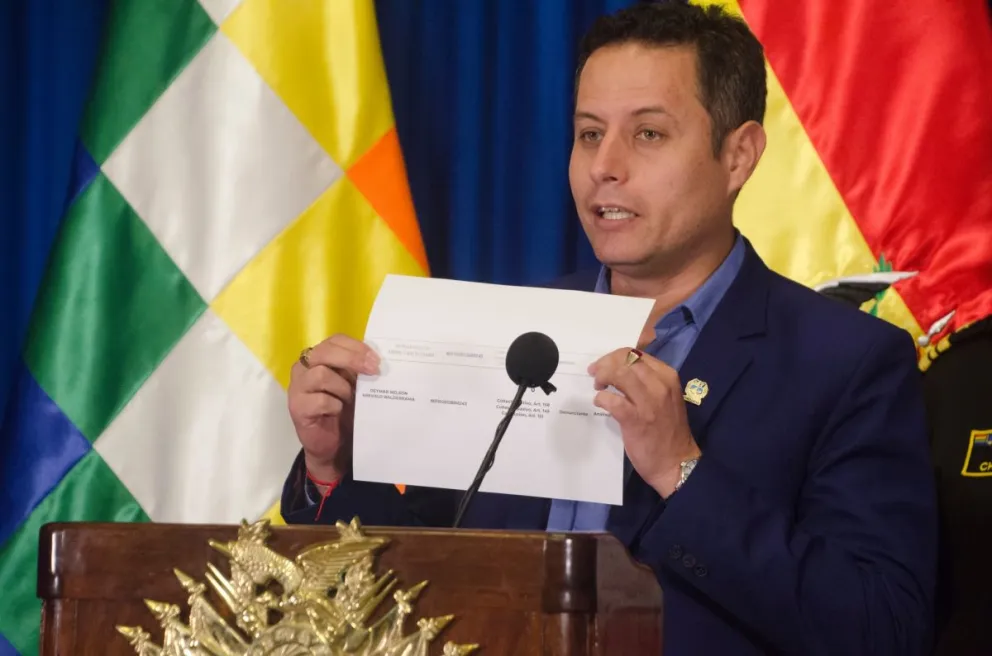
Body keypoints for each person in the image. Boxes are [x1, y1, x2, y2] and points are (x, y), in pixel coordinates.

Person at [280, 3, 938, 654]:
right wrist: (333, 465)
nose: (605, 166)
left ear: (738, 156)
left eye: (647, 134)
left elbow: (882, 626)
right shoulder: (513, 334)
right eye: (590, 133)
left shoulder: (847, 361)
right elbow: (417, 577)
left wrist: (684, 472)